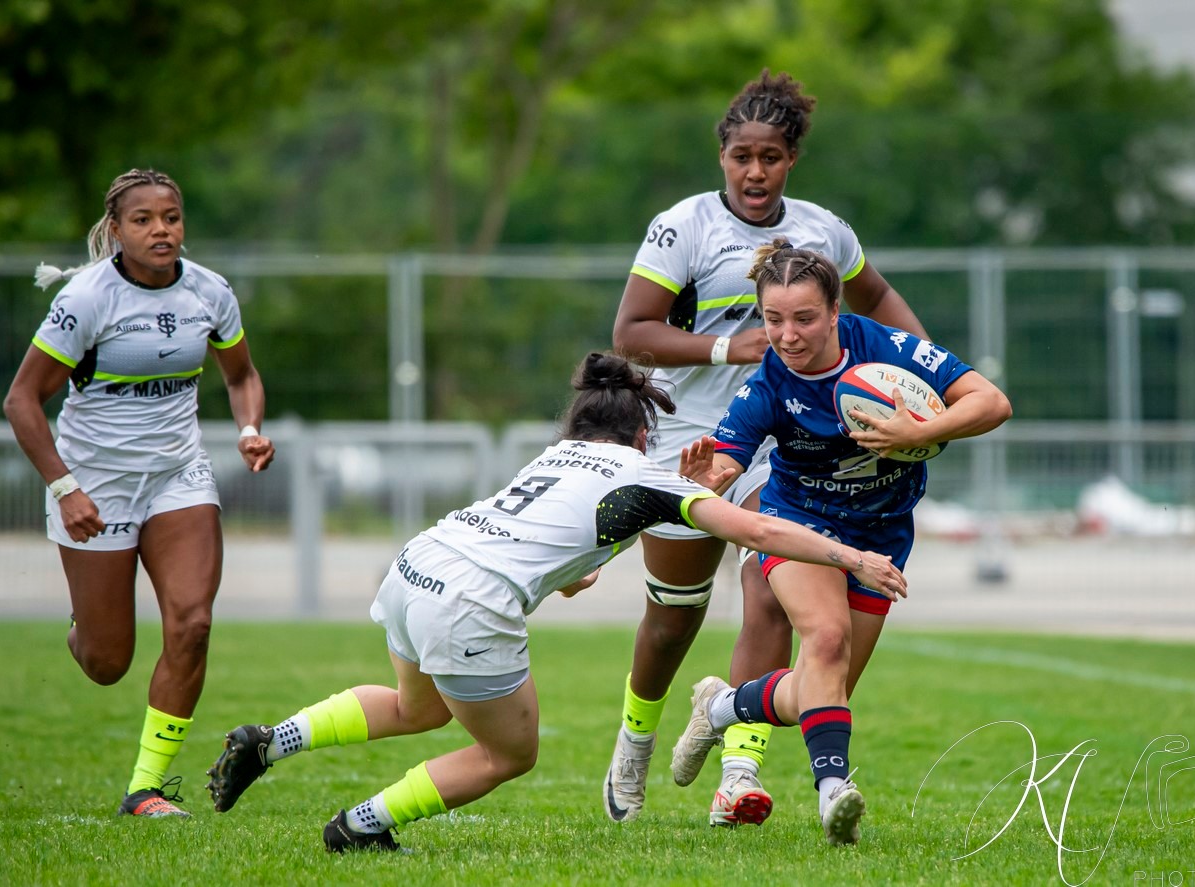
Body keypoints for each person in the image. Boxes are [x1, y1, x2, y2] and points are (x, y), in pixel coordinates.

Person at [203, 351, 906, 853]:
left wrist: (684, 497)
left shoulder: (553, 457)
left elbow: (568, 563)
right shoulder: (646, 473)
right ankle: (359, 825)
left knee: (416, 707)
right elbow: (756, 529)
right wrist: (851, 557)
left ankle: (273, 740)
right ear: (640, 433)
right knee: (507, 753)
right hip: (470, 601)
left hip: (418, 565)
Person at [606, 69, 930, 827]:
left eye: (772, 157)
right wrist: (730, 348)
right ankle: (636, 734)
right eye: (742, 156)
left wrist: (921, 371)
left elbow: (877, 298)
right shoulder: (682, 226)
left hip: (781, 435)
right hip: (691, 437)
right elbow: (631, 332)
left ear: (791, 161)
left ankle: (738, 771)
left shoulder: (823, 229)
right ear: (721, 155)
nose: (755, 171)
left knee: (767, 589)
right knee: (672, 617)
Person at [667, 240, 1010, 844]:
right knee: (826, 638)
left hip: (883, 531)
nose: (788, 335)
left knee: (823, 691)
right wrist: (708, 478)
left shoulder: (887, 348)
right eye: (773, 320)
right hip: (800, 525)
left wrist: (920, 428)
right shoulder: (768, 385)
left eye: (803, 319)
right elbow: (724, 463)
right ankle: (835, 795)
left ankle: (719, 709)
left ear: (833, 313)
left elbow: (992, 402)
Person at [2, 168, 275, 818]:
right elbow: (21, 400)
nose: (162, 230)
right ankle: (86, 623)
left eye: (172, 217)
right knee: (106, 661)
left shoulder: (209, 291)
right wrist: (64, 486)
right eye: (145, 219)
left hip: (179, 476)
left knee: (193, 623)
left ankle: (145, 788)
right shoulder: (88, 299)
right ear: (117, 230)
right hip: (93, 483)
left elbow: (241, 375)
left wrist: (248, 428)